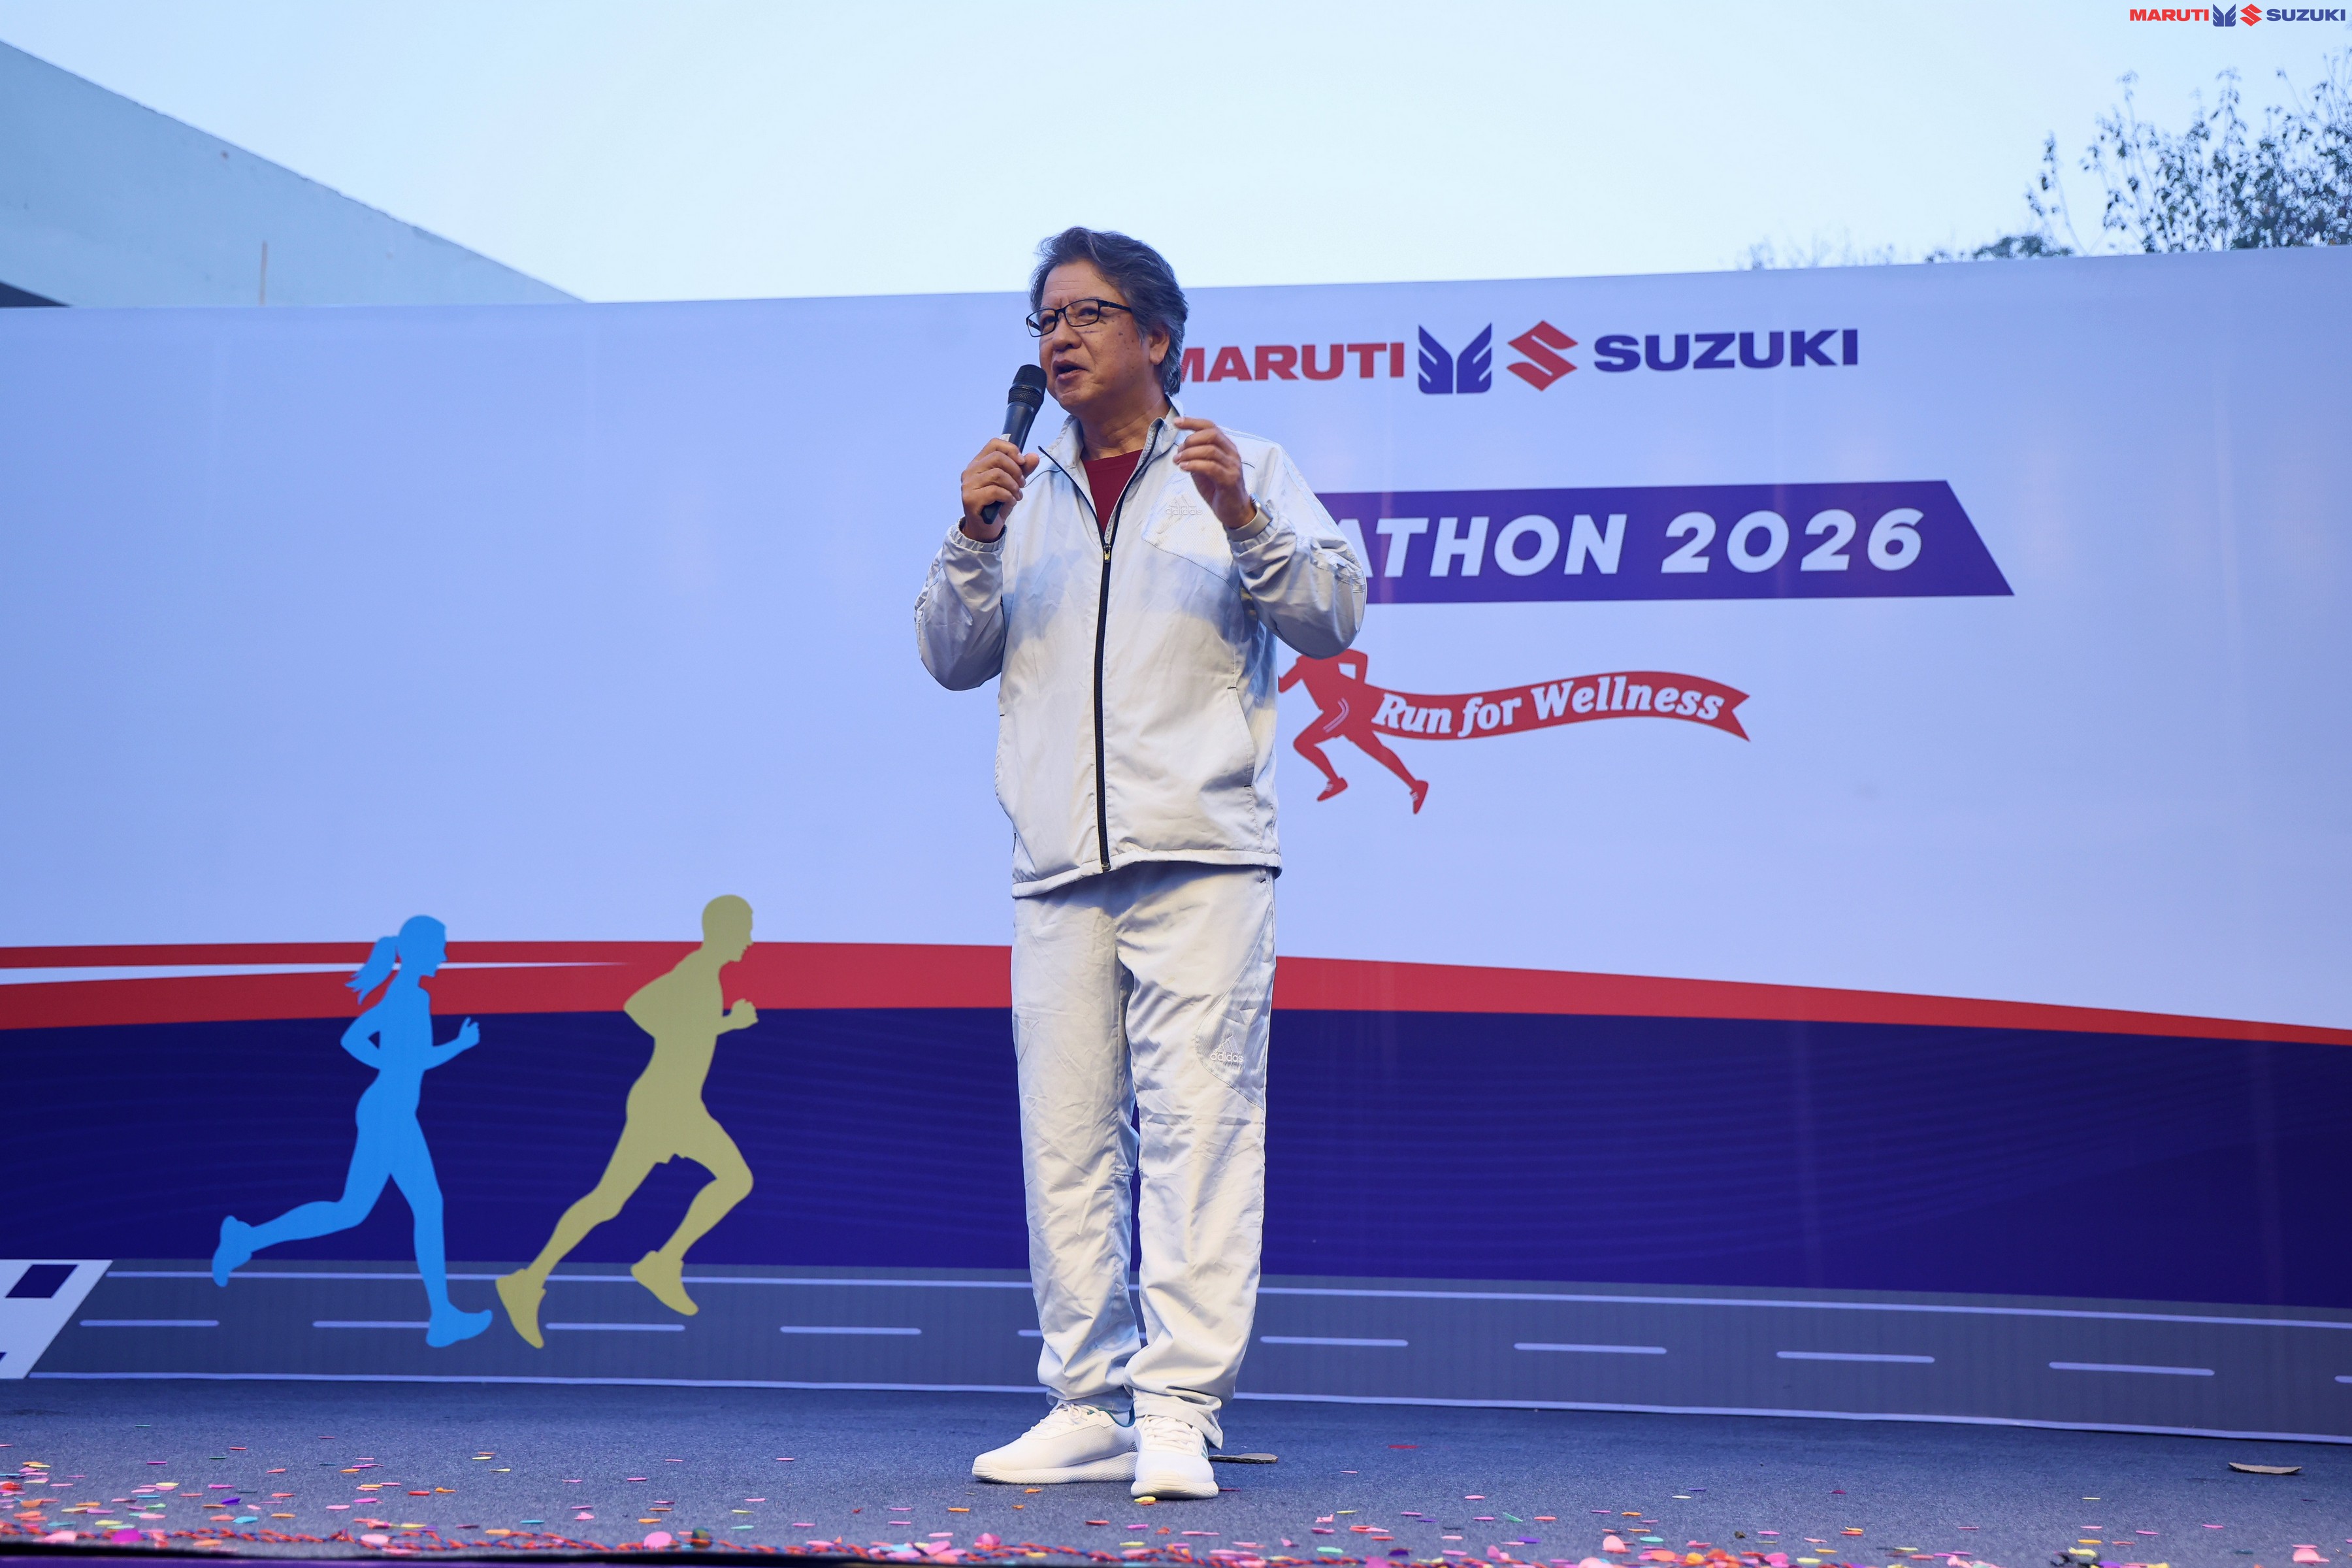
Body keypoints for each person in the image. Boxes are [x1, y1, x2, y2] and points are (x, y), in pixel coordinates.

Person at [915, 228, 1365, 1500]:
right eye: (1046, 320)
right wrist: (970, 534)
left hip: (1202, 858)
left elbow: (1332, 617)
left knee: (1197, 1132)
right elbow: (948, 655)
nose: (1060, 338)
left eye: (1088, 314)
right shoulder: (1020, 489)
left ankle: (1175, 1409)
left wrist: (1246, 520)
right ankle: (1084, 1403)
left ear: (1156, 338)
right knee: (1063, 1144)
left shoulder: (1241, 465)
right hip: (1057, 866)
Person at [211, 914, 491, 1348]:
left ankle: (246, 1239)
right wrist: (456, 1046)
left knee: (359, 1210)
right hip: (390, 1116)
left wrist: (391, 1066)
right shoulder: (411, 996)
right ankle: (442, 1317)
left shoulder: (405, 993)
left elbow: (357, 1039)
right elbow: (403, 1056)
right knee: (413, 1207)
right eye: (440, 946)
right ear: (418, 950)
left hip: (389, 1112)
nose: (445, 955)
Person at [497, 895, 760, 1347]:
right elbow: (639, 1006)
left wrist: (723, 1024)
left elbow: (682, 1028)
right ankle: (532, 1280)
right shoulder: (696, 971)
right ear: (723, 930)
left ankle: (660, 1264)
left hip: (680, 1106)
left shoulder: (704, 974)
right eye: (745, 930)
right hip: (663, 1105)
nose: (750, 941)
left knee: (730, 1180)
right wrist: (728, 1024)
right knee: (609, 1202)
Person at [1279, 651, 1429, 812]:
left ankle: (1336, 781)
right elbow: (1282, 686)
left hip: (1341, 709)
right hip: (1340, 711)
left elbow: (1360, 659)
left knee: (1303, 743)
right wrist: (1264, 662)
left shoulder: (1326, 651)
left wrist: (1357, 691)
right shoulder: (1303, 664)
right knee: (1376, 749)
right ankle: (1415, 785)